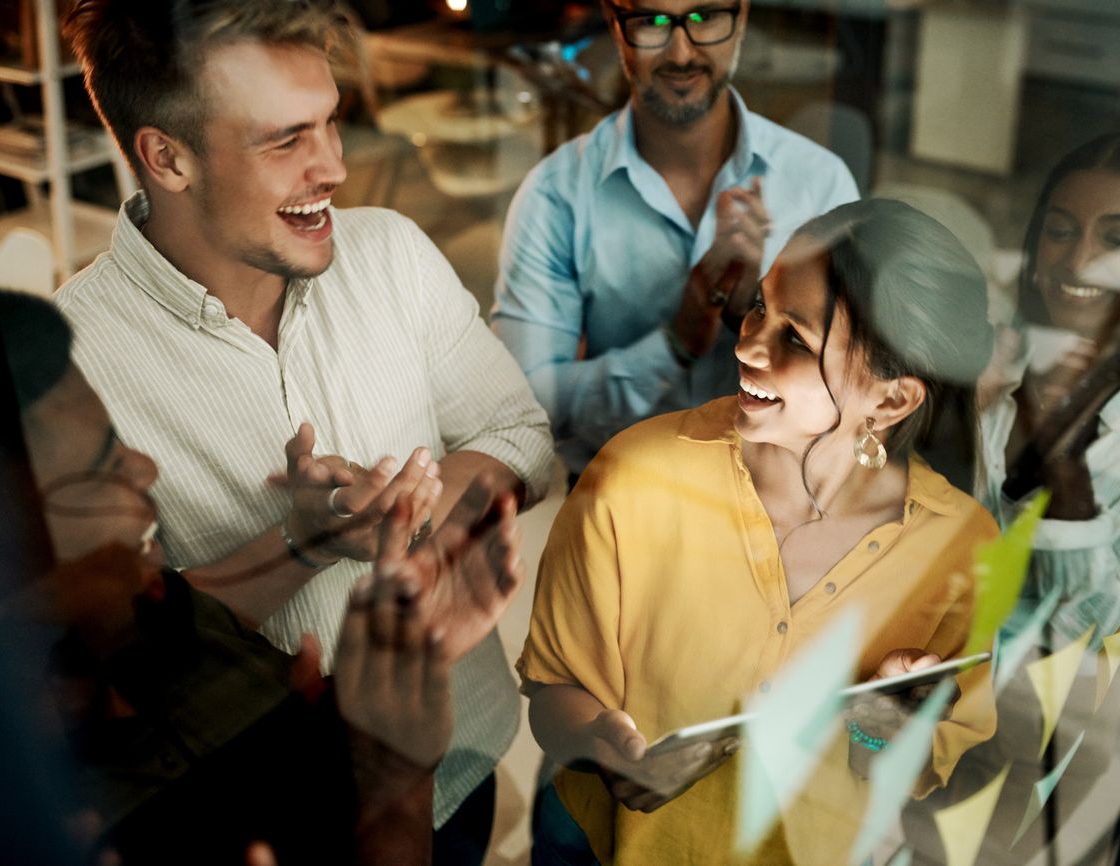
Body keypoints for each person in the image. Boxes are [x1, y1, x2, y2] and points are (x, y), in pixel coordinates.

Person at [57, 1, 554, 856]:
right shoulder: (68, 369)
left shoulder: (392, 252)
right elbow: (111, 656)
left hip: (455, 760)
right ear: (167, 157)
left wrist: (417, 529)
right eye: (285, 140)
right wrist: (301, 545)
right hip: (254, 823)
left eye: (329, 123)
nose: (333, 168)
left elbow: (518, 434)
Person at [517, 199, 1000, 865]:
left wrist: (883, 728)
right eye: (756, 308)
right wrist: (597, 743)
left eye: (795, 340)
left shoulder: (959, 549)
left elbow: (929, 765)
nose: (746, 345)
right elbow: (552, 692)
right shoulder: (633, 478)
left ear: (890, 400)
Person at [0, 290, 528, 865]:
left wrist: (309, 542)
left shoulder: (124, 614)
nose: (146, 469)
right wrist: (393, 781)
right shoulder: (53, 821)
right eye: (105, 467)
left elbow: (191, 606)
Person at [903, 132, 1120, 864]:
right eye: (1060, 232)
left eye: (1119, 240)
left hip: (1038, 749)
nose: (1077, 264)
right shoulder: (984, 368)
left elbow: (1091, 630)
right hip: (910, 708)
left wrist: (1062, 458)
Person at [491, 0, 859, 480]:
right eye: (651, 21)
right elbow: (527, 407)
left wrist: (755, 310)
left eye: (705, 16)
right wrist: (675, 342)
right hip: (618, 504)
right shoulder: (555, 195)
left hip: (781, 509)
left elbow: (853, 389)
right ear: (614, 25)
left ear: (742, 16)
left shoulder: (820, 183)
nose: (682, 53)